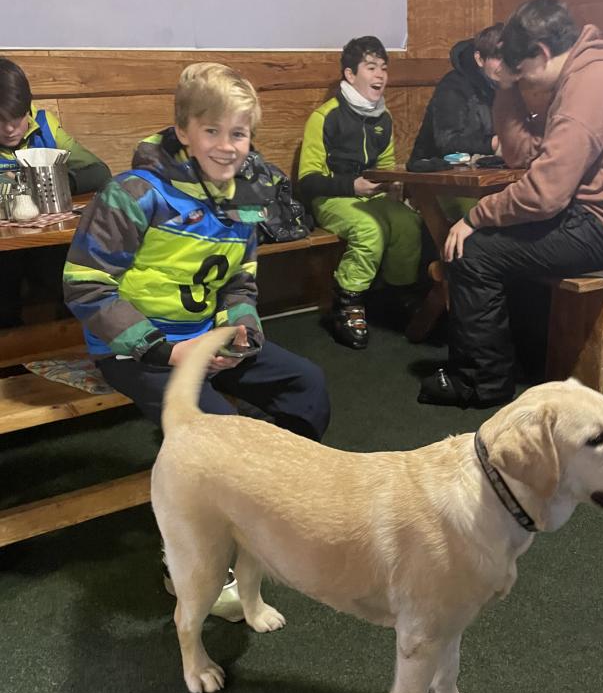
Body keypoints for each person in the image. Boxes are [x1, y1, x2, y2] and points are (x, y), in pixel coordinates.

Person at [63, 62, 330, 619]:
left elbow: (240, 279)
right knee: (215, 436)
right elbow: (85, 285)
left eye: (239, 133)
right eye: (212, 131)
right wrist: (170, 350)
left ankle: (258, 506)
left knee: (308, 387)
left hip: (206, 340)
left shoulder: (246, 195)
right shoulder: (134, 193)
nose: (228, 146)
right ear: (183, 130)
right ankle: (187, 556)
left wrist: (241, 330)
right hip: (136, 349)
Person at [418, 0, 603, 407]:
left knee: (473, 253)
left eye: (521, 73)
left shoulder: (585, 89)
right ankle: (528, 359)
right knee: (506, 240)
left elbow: (544, 195)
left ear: (541, 52)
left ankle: (480, 382)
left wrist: (476, 217)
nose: (521, 84)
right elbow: (524, 158)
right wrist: (508, 91)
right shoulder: (592, 73)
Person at [298, 35, 422, 349]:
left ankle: (398, 294)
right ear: (350, 75)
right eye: (371, 67)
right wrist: (351, 186)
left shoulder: (384, 117)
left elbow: (386, 165)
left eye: (384, 68)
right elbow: (308, 180)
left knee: (408, 222)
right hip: (332, 199)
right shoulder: (325, 117)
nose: (380, 75)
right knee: (370, 229)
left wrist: (393, 184)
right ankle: (347, 302)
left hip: (372, 196)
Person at [0, 57, 111, 328]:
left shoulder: (44, 126)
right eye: (0, 120)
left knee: (69, 260)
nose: (10, 128)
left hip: (48, 240)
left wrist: (56, 183)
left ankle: (70, 334)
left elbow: (98, 172)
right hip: (5, 247)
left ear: (27, 109)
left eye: (17, 117)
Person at [409, 22, 504, 164]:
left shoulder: (515, 86)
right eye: (498, 57)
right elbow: (446, 142)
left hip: (488, 170)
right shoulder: (453, 86)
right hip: (435, 171)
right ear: (479, 59)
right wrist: (494, 143)